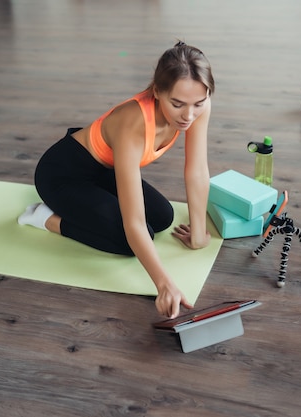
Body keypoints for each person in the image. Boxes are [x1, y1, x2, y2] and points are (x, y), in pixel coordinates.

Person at [18, 41, 214, 319]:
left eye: (199, 103)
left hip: (104, 171)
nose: (189, 115)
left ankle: (89, 206)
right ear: (157, 92)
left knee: (163, 217)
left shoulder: (197, 105)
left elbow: (196, 170)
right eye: (178, 104)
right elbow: (133, 223)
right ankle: (44, 217)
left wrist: (198, 233)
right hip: (63, 174)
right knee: (131, 240)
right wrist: (164, 284)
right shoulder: (132, 123)